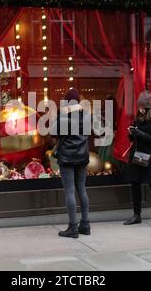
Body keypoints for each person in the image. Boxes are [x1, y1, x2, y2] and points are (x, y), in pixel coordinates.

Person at [123, 90, 151, 230]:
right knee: (135, 185)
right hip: (137, 155)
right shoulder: (139, 117)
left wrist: (140, 134)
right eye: (139, 107)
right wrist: (132, 133)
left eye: (141, 107)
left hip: (150, 156)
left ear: (147, 106)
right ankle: (137, 215)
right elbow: (135, 139)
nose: (139, 109)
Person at [53, 88, 91, 238]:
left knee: (69, 190)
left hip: (67, 158)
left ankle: (73, 227)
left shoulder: (63, 117)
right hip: (83, 157)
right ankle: (85, 224)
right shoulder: (87, 116)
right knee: (81, 189)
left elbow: (53, 133)